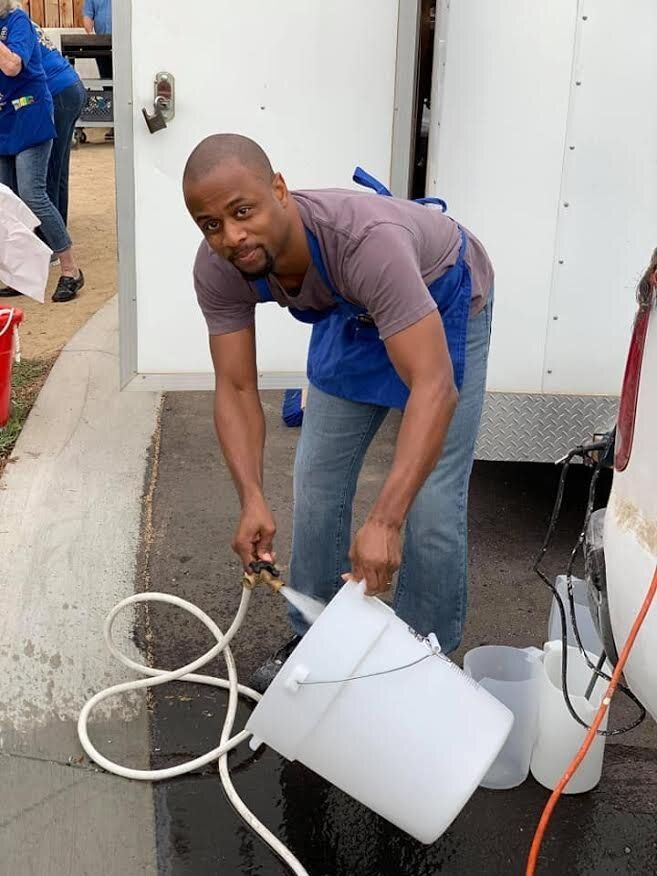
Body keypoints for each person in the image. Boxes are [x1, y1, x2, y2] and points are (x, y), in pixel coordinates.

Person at [183, 134, 494, 693]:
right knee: (318, 478)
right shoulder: (220, 267)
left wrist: (384, 521)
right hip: (350, 309)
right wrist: (251, 496)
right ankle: (317, 636)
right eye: (210, 224)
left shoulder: (365, 244)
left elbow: (434, 386)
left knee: (430, 504)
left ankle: (422, 660)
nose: (231, 236)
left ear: (279, 190)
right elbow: (233, 386)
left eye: (242, 211)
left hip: (439, 291)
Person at [0, 0, 84, 302]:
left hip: (34, 110)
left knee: (35, 191)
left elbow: (12, 66)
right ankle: (21, 273)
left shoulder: (16, 21)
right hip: (5, 119)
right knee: (9, 197)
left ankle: (69, 268)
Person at [30, 18, 86, 227]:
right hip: (70, 87)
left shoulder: (8, 27)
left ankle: (52, 238)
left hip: (57, 93)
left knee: (48, 170)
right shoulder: (17, 18)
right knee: (58, 168)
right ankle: (59, 228)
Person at [82, 0, 112, 80]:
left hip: (122, 42)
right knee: (105, 78)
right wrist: (91, 33)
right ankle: (107, 91)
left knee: (121, 78)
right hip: (101, 43)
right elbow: (87, 15)